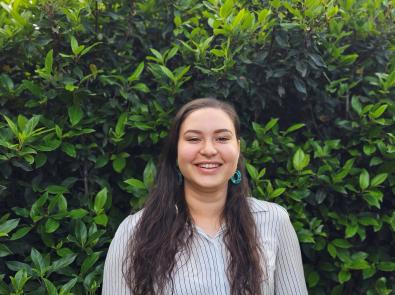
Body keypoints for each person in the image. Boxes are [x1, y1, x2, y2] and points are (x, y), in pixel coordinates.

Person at [102, 98, 308, 295]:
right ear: (176, 151)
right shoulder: (135, 232)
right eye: (193, 139)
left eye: (222, 138)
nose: (209, 150)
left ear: (237, 148)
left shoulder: (274, 221)